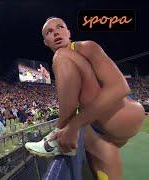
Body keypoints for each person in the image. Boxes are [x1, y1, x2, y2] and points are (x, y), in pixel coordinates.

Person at [25, 17, 145, 180]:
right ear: (46, 41)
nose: (56, 32)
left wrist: (72, 125)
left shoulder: (85, 47)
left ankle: (56, 136)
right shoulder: (66, 64)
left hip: (122, 114)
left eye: (60, 27)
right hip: (100, 128)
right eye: (49, 32)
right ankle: (66, 135)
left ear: (68, 32)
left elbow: (120, 87)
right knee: (104, 169)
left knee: (62, 57)